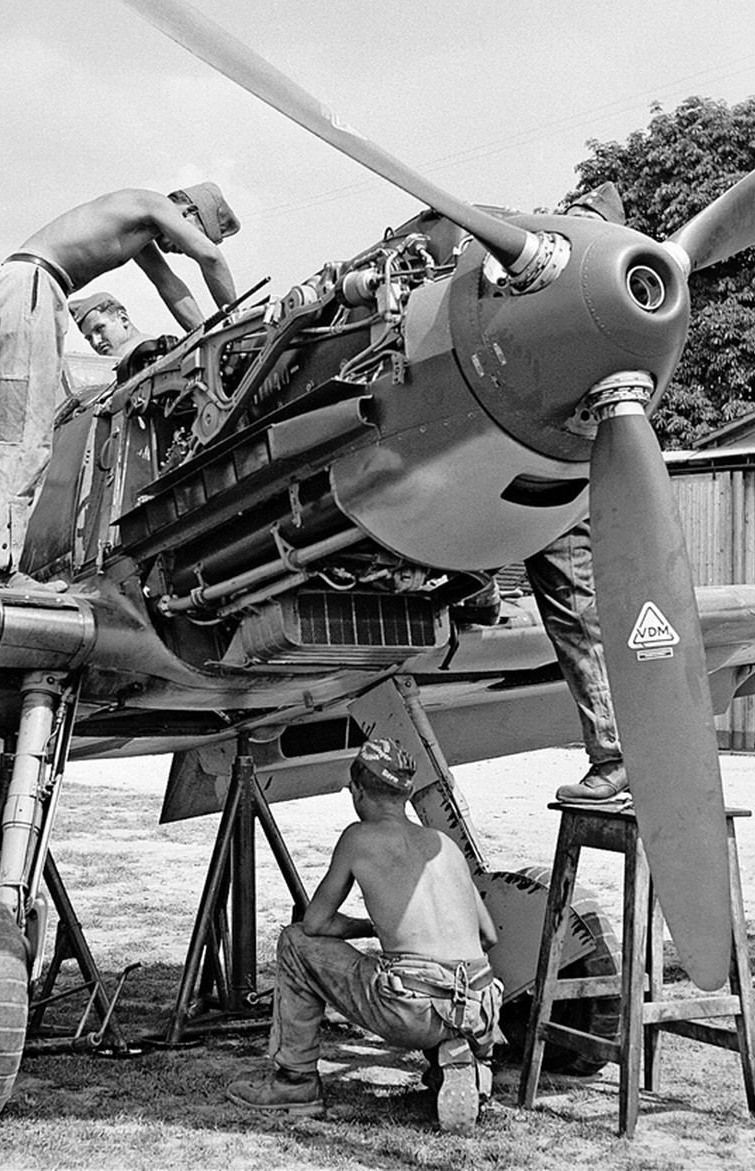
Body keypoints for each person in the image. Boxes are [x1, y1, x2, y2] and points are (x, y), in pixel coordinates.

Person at [0, 184, 240, 583]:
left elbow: (170, 286)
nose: (177, 248)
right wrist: (233, 321)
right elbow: (209, 256)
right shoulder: (152, 203)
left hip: (8, 288)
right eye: (187, 236)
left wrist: (208, 334)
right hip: (29, 289)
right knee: (28, 439)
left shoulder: (137, 224)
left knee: (5, 440)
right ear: (189, 212)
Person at [226, 739, 504, 1132]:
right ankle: (462, 1059)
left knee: (294, 943)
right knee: (430, 976)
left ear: (358, 791)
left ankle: (295, 1082)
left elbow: (315, 925)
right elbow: (488, 936)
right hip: (479, 1007)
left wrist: (372, 927)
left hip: (413, 1011)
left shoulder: (359, 837)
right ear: (405, 792)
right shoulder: (443, 844)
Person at [542, 180, 628, 802]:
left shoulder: (605, 314)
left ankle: (617, 755)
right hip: (524, 479)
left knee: (578, 615)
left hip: (563, 488)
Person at [68, 292, 145, 360]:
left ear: (123, 318)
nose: (96, 342)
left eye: (99, 329)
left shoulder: (140, 351)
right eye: (89, 338)